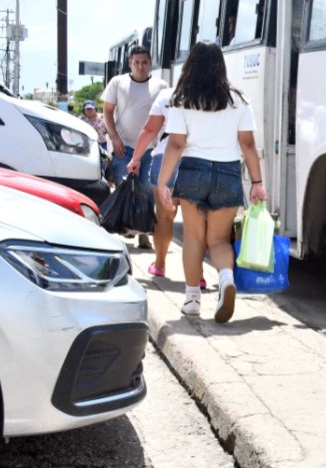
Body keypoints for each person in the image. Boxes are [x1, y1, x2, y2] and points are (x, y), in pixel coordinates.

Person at [155, 42, 265, 322]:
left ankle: (192, 298)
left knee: (193, 236)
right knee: (218, 239)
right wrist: (257, 182)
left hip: (193, 171)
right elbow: (248, 144)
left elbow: (176, 144)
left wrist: (163, 181)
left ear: (191, 65)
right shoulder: (238, 99)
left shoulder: (182, 99)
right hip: (227, 172)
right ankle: (226, 279)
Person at [129, 88, 206, 288]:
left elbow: (149, 130)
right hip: (198, 160)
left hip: (166, 159)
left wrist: (136, 158)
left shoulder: (167, 95)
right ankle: (198, 275)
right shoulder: (212, 94)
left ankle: (160, 264)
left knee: (164, 217)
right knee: (196, 221)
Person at [102, 45, 168, 187]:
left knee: (148, 194)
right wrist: (114, 138)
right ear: (130, 63)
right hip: (123, 149)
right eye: (136, 62)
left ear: (150, 63)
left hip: (151, 150)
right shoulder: (117, 82)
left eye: (144, 62)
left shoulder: (162, 86)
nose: (140, 66)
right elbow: (107, 111)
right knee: (124, 191)